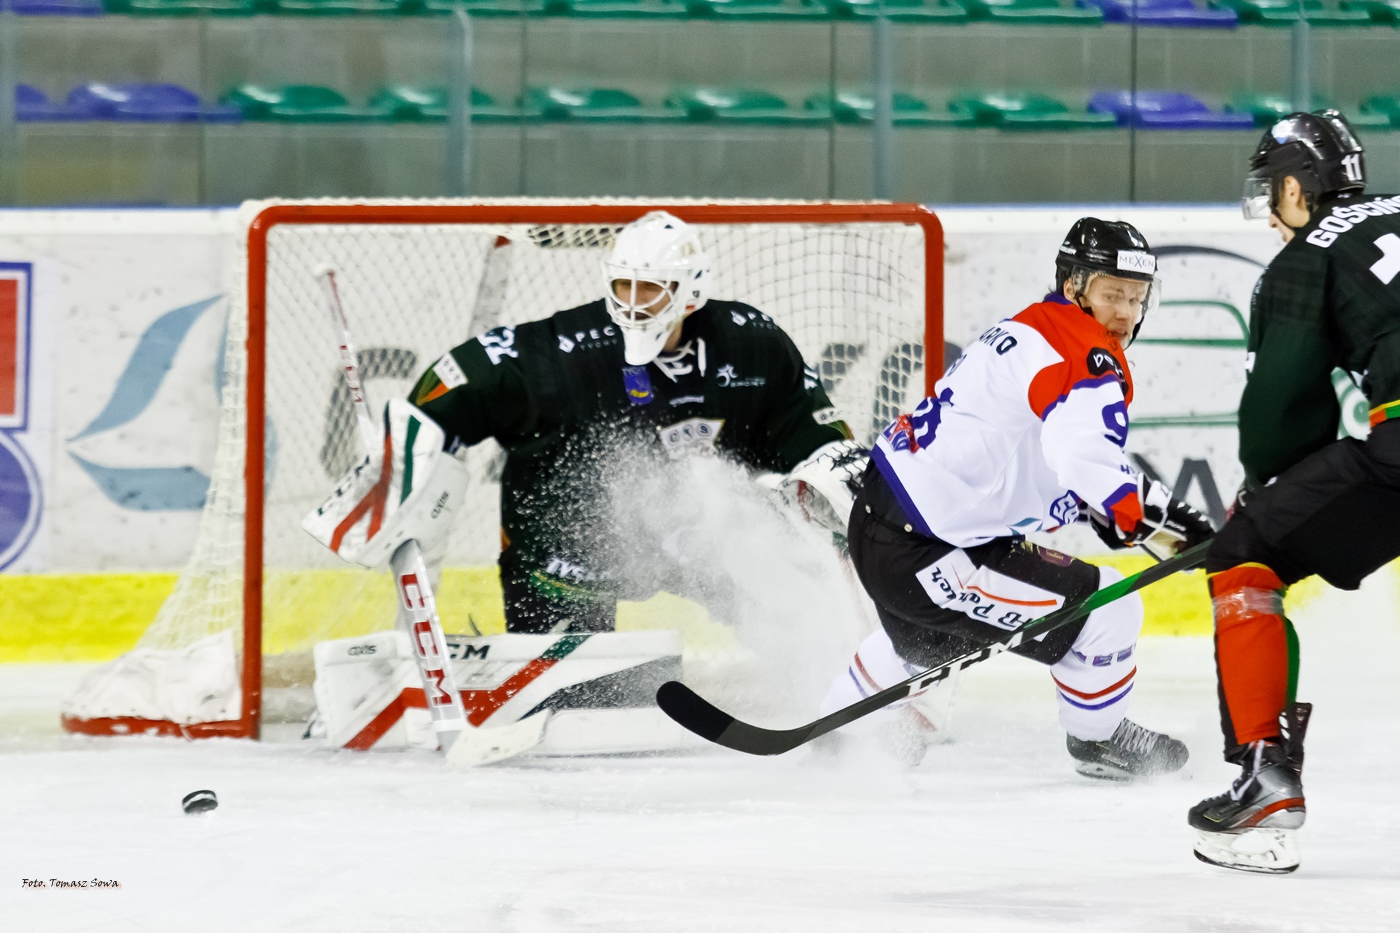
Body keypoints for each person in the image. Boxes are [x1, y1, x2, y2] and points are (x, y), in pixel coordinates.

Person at [820, 218, 1215, 776]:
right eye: (1111, 295)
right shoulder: (1086, 352)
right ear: (1075, 286)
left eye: (1135, 297)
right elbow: (1081, 456)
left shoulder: (1031, 327)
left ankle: (839, 721)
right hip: (932, 553)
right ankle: (1097, 740)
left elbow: (1026, 451)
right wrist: (1143, 516)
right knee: (1111, 608)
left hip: (879, 521)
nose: (1125, 312)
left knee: (929, 643)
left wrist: (1103, 506)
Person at [403, 210, 865, 634]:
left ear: (689, 291)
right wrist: (405, 449)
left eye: (650, 288)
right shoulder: (570, 351)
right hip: (572, 560)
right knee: (585, 700)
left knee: (805, 634)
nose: (634, 302)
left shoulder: (751, 343)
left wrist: (836, 479)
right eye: (624, 285)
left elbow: (814, 437)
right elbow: (457, 379)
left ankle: (862, 667)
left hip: (709, 542)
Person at [1187, 110, 1400, 873]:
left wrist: (1265, 492)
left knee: (1248, 553)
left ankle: (1264, 778)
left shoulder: (1305, 258)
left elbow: (1281, 414)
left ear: (1293, 187)